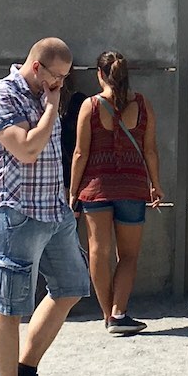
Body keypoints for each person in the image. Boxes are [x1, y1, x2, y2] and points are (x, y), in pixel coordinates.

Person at [0, 37, 90, 376]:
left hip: (53, 213)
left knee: (72, 287)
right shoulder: (1, 96)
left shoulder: (47, 95)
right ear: (38, 67)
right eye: (58, 75)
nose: (62, 82)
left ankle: (26, 374)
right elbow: (26, 148)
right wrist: (51, 108)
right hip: (16, 215)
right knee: (10, 307)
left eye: (66, 77)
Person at [69, 50, 162, 336]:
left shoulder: (91, 105)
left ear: (100, 74)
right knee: (129, 255)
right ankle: (119, 313)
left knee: (98, 251)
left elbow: (81, 152)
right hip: (132, 188)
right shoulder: (143, 105)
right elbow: (150, 150)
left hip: (96, 187)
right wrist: (155, 184)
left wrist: (73, 192)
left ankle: (108, 315)